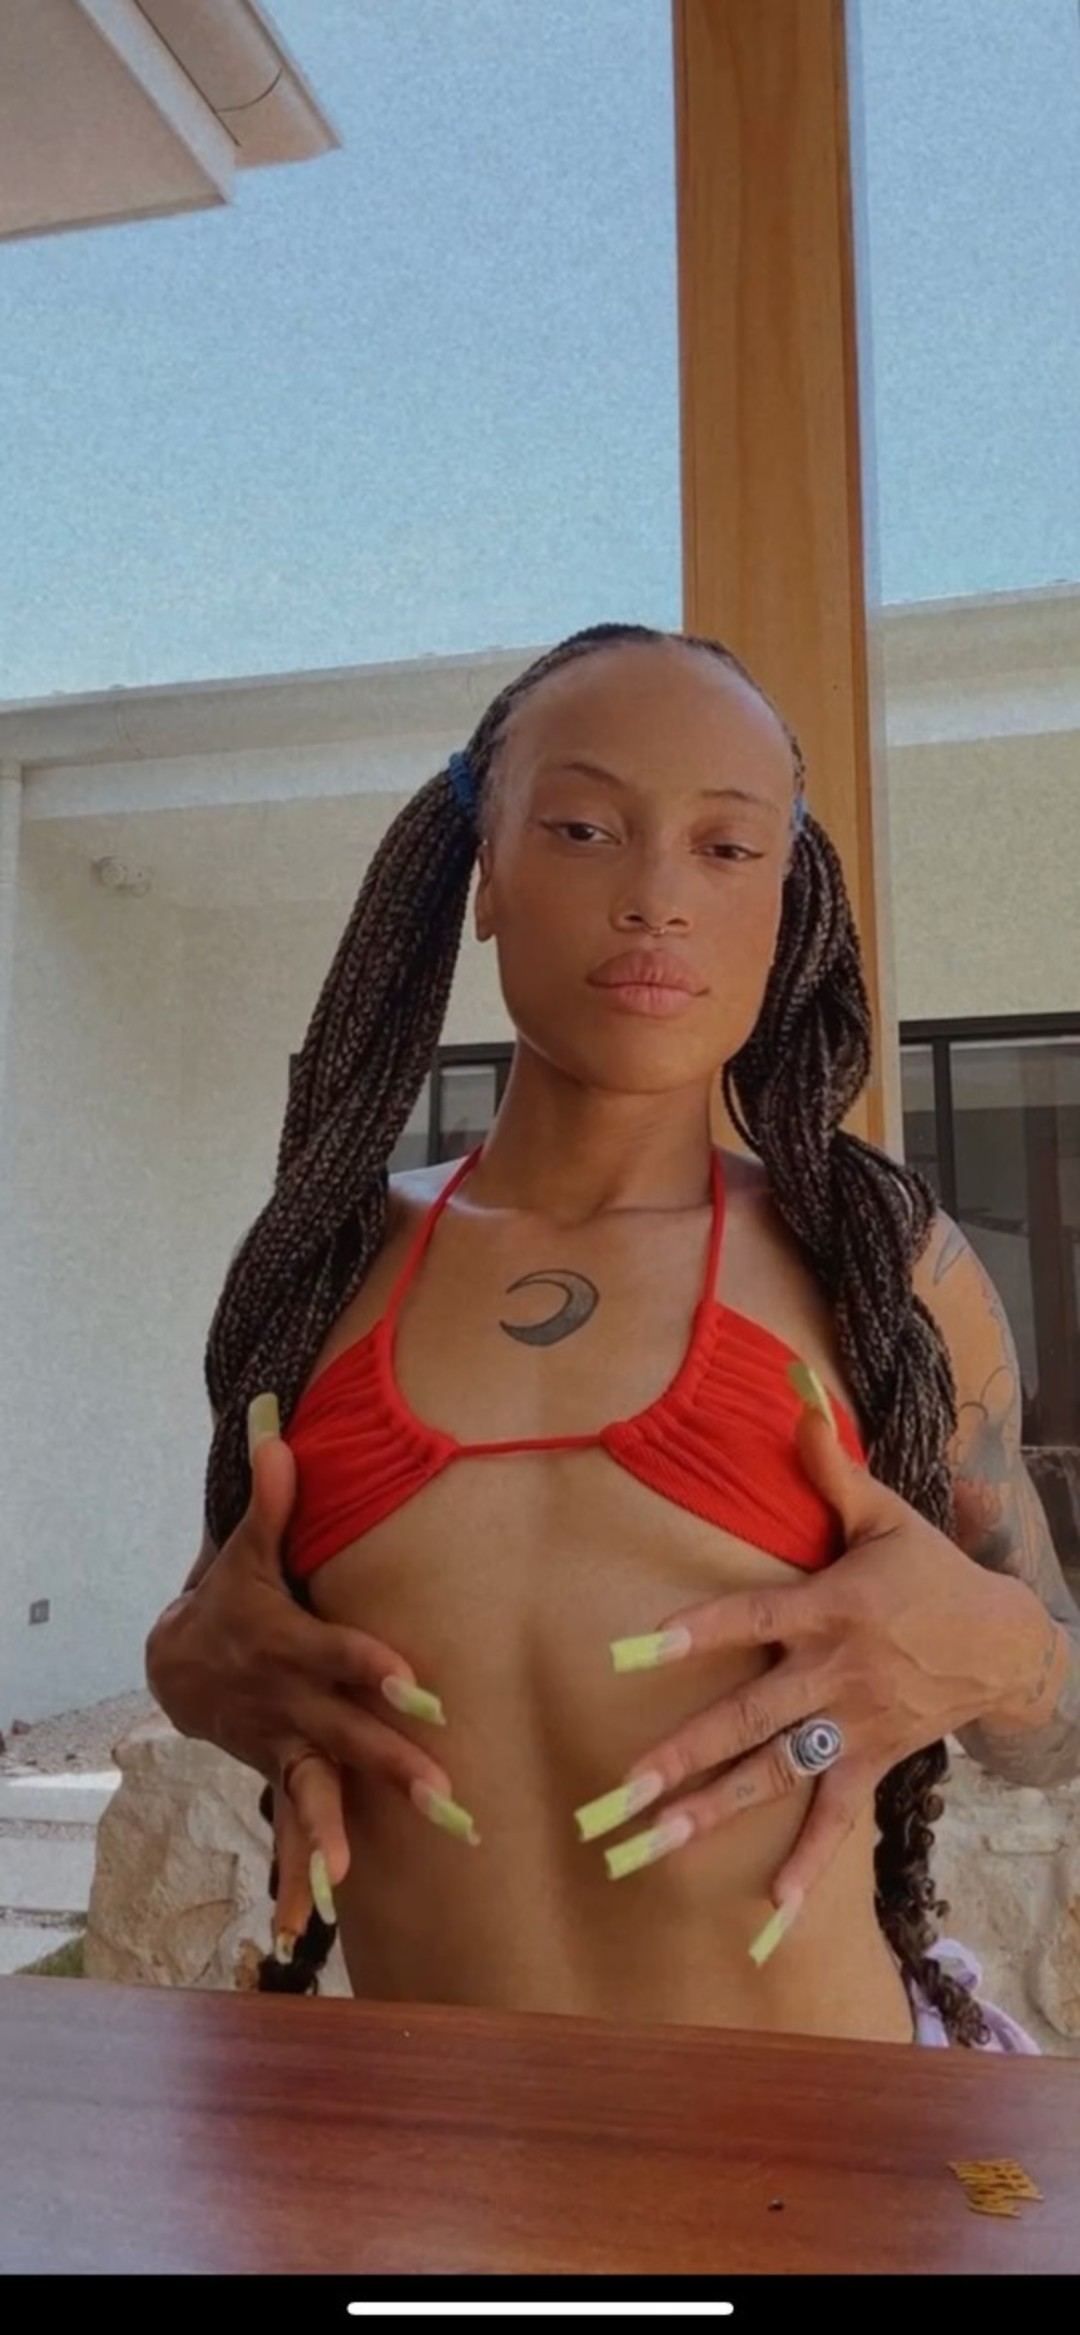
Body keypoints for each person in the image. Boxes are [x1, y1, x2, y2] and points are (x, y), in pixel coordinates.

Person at [146, 623, 1080, 2047]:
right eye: (584, 829)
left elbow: (1054, 1730)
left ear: (786, 899)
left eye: (726, 847)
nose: (656, 900)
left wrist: (1000, 1654)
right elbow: (221, 1630)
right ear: (484, 876)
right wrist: (188, 1671)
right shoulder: (325, 1268)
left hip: (815, 2152)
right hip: (429, 2154)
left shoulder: (882, 1274)